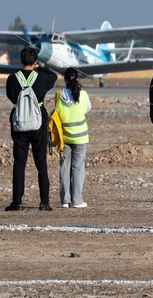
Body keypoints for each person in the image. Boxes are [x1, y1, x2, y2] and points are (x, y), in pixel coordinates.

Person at [5, 46, 58, 211]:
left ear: (21, 61)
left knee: (19, 164)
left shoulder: (12, 79)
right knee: (41, 163)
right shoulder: (41, 78)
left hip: (19, 123)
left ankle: (17, 202)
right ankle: (44, 202)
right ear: (35, 62)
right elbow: (53, 76)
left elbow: (11, 96)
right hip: (38, 124)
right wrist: (40, 66)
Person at [55, 67, 92, 209]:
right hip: (81, 137)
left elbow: (57, 112)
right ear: (77, 78)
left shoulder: (59, 95)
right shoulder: (83, 94)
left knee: (64, 168)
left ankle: (65, 200)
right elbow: (88, 109)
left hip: (64, 137)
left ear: (64, 79)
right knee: (77, 168)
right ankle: (77, 201)